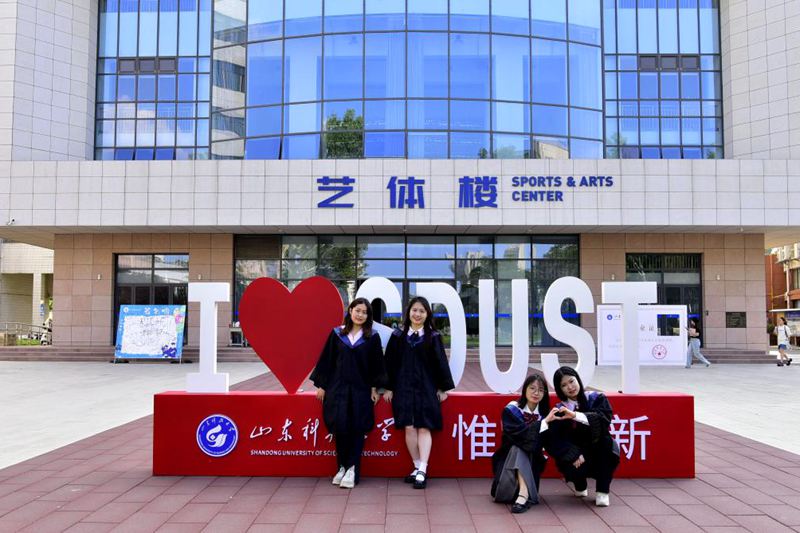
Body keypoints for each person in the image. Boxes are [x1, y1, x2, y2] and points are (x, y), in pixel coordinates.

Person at [310, 297, 386, 489]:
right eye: (357, 310)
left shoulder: (372, 337)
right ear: (350, 311)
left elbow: (376, 365)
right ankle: (342, 467)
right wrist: (322, 385)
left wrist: (374, 388)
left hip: (361, 389)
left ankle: (352, 469)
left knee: (357, 428)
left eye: (364, 312)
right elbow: (327, 361)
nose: (360, 314)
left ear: (368, 316)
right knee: (341, 427)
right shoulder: (337, 334)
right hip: (338, 389)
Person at [384, 296, 455, 489]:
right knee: (408, 427)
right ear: (408, 312)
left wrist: (443, 387)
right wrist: (388, 387)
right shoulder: (398, 336)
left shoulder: (433, 337)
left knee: (424, 427)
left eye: (422, 311)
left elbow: (441, 363)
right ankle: (416, 466)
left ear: (427, 315)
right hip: (403, 387)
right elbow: (390, 363)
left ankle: (423, 468)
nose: (417, 314)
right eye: (414, 310)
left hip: (426, 387)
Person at [546, 366, 620, 507]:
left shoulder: (596, 398)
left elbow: (603, 421)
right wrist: (572, 454)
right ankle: (580, 484)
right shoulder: (560, 409)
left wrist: (575, 415)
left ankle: (602, 491)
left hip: (597, 447)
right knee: (565, 456)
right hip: (577, 452)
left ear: (577, 379)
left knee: (607, 444)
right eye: (564, 385)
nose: (570, 387)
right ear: (559, 389)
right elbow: (555, 438)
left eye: (571, 381)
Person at [491, 373, 557, 513]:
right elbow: (520, 436)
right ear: (525, 389)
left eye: (540, 390)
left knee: (523, 447)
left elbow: (550, 442)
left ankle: (523, 492)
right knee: (518, 446)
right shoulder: (511, 410)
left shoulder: (546, 415)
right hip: (508, 465)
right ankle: (524, 493)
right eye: (532, 388)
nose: (536, 393)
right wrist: (543, 423)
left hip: (533, 464)